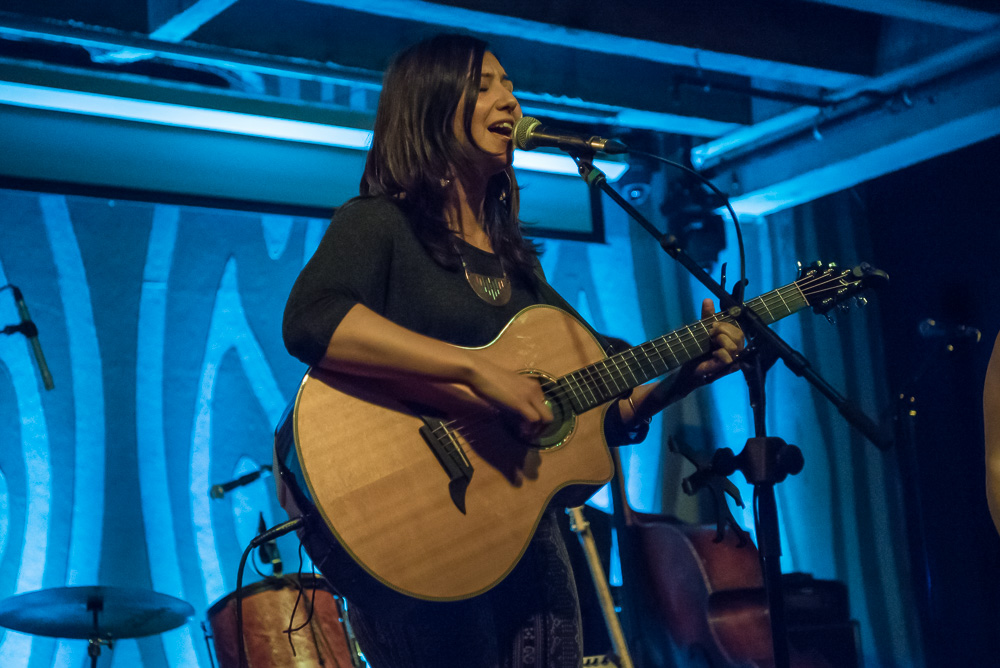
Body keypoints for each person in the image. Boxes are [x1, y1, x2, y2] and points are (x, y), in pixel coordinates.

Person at [280, 33, 745, 668]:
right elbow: (312, 321)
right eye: (484, 85)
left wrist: (677, 383)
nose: (510, 97)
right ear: (432, 106)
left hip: (524, 540)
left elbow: (596, 408)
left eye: (508, 83)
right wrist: (477, 372)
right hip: (422, 532)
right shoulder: (379, 224)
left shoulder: (520, 273)